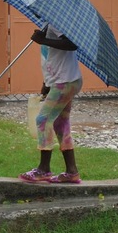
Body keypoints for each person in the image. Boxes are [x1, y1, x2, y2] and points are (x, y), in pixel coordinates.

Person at [19, 24, 83, 184]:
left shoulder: (58, 24)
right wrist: (47, 82)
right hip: (62, 81)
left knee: (43, 120)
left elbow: (72, 44)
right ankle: (71, 171)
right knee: (60, 124)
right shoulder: (48, 24)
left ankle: (43, 169)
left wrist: (43, 40)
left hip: (65, 81)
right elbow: (51, 58)